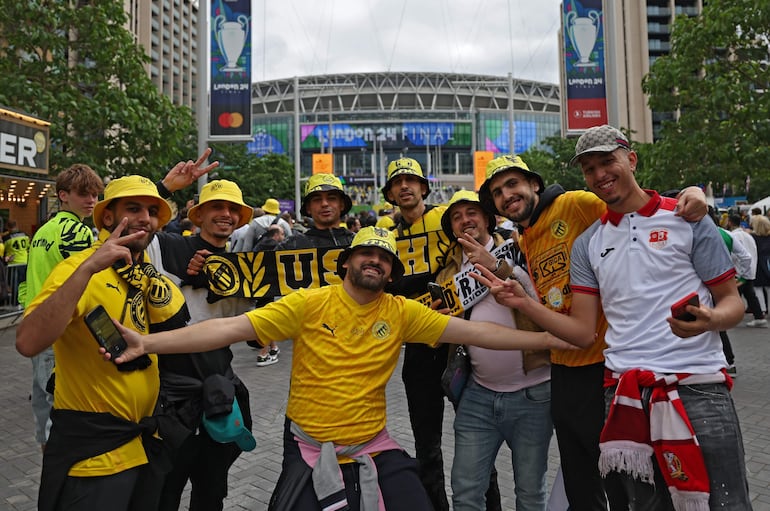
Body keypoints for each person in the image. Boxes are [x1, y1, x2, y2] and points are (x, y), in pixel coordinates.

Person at [104, 226, 574, 511]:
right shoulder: (309, 304)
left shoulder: (401, 311)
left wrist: (549, 338)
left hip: (374, 445)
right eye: (367, 254)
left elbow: (479, 334)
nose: (375, 262)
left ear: (391, 272)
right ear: (346, 262)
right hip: (309, 446)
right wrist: (147, 341)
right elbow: (224, 331)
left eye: (385, 259)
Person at [475, 124, 751, 510]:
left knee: (724, 501)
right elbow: (580, 328)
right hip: (621, 390)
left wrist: (711, 319)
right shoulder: (583, 243)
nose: (600, 175)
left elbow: (732, 302)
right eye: (590, 169)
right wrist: (521, 301)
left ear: (631, 159)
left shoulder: (674, 217)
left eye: (608, 162)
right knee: (637, 501)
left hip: (696, 385)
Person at [15, 175, 192, 511]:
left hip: (144, 447)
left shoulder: (146, 276)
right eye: (133, 208)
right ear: (108, 217)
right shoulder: (79, 268)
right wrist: (87, 270)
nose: (145, 218)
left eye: (152, 211)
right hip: (95, 458)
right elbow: (27, 341)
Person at [436, 191, 552, 511]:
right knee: (466, 491)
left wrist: (497, 267)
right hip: (477, 395)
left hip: (534, 393)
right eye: (456, 217)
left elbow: (539, 296)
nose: (465, 220)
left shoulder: (518, 248)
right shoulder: (447, 270)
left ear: (488, 218)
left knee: (529, 493)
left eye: (472, 212)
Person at [146, 179, 255, 511]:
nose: (226, 214)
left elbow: (257, 334)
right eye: (217, 207)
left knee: (211, 493)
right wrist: (163, 188)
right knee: (164, 492)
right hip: (168, 395)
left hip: (218, 394)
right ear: (198, 214)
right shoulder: (166, 247)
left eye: (233, 209)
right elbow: (128, 231)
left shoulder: (244, 267)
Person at [380, 157, 465, 511]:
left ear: (424, 188)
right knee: (426, 445)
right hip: (417, 349)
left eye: (411, 180)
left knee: (476, 438)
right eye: (397, 182)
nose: (405, 186)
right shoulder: (386, 237)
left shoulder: (447, 219)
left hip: (458, 344)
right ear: (390, 194)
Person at [23, 164, 104, 453]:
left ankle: (51, 469)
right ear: (63, 195)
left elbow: (29, 279)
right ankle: (60, 476)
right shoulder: (78, 233)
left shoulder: (43, 230)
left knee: (43, 402)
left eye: (95, 194)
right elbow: (83, 284)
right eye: (84, 194)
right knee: (59, 402)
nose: (91, 200)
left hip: (34, 321)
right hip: (59, 328)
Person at [726, 213, 767, 327]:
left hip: (739, 271)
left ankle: (731, 317)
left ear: (730, 222)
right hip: (749, 269)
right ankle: (759, 316)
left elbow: (734, 255)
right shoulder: (747, 235)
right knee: (749, 295)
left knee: (733, 295)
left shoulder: (733, 236)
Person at [750, 214, 770, 314]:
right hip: (768, 263)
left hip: (757, 264)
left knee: (758, 288)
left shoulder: (753, 237)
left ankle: (761, 309)